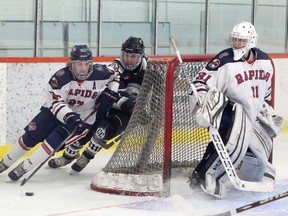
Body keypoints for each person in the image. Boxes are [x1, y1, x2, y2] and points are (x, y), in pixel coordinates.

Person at [188, 21, 285, 198]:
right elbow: (199, 82)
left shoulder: (265, 61)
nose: (236, 44)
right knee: (229, 140)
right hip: (230, 110)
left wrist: (264, 109)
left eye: (241, 40)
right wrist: (203, 101)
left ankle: (252, 172)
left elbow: (266, 93)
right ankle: (201, 177)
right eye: (235, 40)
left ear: (251, 41)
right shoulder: (224, 59)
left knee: (259, 156)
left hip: (251, 115)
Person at [0, 44, 120, 181]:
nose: (82, 68)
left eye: (86, 64)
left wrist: (111, 92)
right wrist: (69, 116)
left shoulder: (102, 72)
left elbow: (116, 74)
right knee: (31, 136)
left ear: (90, 63)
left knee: (52, 142)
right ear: (71, 64)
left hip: (82, 119)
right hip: (55, 113)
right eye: (79, 64)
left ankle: (24, 167)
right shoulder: (60, 78)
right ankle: (5, 162)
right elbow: (56, 103)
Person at [48, 36, 147, 173]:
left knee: (102, 132)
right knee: (85, 131)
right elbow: (108, 93)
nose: (129, 60)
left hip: (125, 114)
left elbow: (158, 90)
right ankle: (67, 156)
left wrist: (145, 110)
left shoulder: (148, 68)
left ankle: (86, 157)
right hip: (108, 106)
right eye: (126, 55)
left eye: (133, 56)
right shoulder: (115, 68)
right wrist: (128, 104)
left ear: (141, 56)